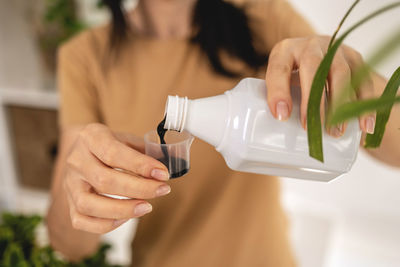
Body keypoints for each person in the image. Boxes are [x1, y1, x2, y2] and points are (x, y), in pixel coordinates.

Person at [46, 0, 400, 266]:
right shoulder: (85, 56)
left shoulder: (262, 16)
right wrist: (78, 189)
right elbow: (71, 246)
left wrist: (357, 80)